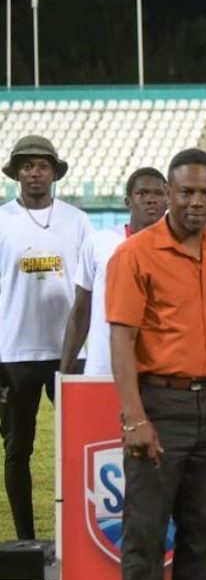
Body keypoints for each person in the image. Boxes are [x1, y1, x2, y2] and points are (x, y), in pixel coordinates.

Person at [106, 148, 206, 580]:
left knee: (203, 530)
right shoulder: (135, 254)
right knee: (147, 531)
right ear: (169, 195)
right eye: (188, 193)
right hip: (160, 403)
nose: (198, 202)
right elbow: (121, 339)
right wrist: (134, 417)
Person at [0, 136, 92, 539]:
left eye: (42, 165)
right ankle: (25, 539)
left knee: (79, 448)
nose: (34, 172)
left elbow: (90, 285)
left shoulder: (77, 220)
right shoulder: (2, 219)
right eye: (26, 165)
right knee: (18, 450)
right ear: (16, 173)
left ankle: (75, 534)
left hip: (68, 352)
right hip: (13, 353)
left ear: (54, 172)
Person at [61, 168, 167, 377]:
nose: (151, 200)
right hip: (104, 369)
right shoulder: (99, 242)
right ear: (128, 201)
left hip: (160, 374)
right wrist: (64, 373)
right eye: (142, 194)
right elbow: (81, 310)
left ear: (168, 200)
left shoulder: (180, 247)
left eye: (158, 194)